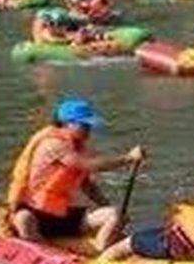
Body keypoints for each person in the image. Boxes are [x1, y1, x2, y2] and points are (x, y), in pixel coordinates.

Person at [7, 98, 144, 250]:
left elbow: (87, 185)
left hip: (64, 214)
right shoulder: (53, 144)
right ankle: (41, 253)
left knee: (116, 214)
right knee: (23, 219)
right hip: (36, 213)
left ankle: (99, 254)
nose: (88, 129)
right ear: (67, 123)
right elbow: (87, 165)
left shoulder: (77, 147)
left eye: (89, 125)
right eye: (84, 125)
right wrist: (128, 158)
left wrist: (109, 209)